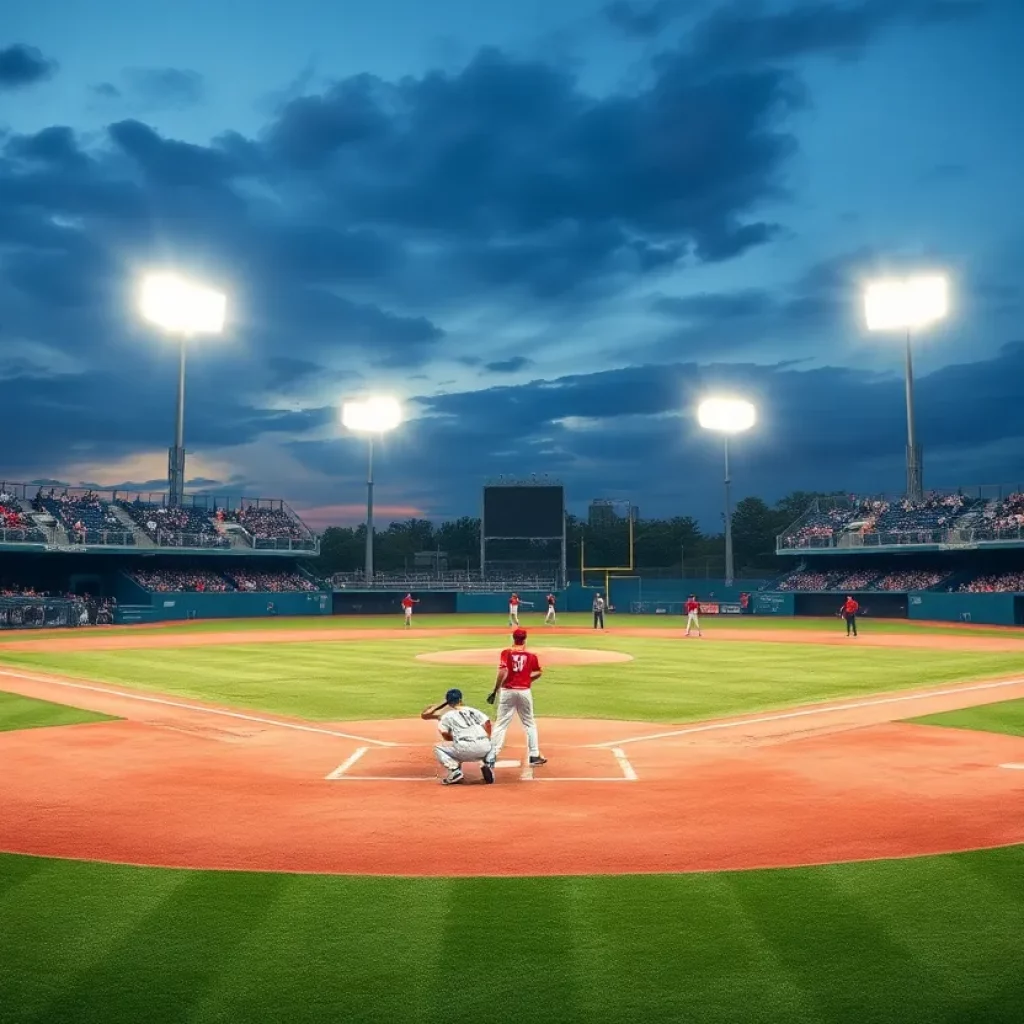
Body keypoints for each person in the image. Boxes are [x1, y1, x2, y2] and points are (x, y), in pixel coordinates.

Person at [485, 627, 547, 768]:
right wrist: (527, 679)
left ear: (513, 638)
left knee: (501, 723)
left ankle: (492, 754)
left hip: (507, 691)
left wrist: (495, 690)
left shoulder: (506, 653)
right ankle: (534, 754)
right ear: (525, 639)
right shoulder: (531, 656)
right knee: (529, 723)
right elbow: (539, 672)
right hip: (524, 691)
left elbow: (502, 671)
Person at [420, 688, 495, 785]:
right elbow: (487, 723)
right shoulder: (472, 711)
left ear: (447, 701)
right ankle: (488, 763)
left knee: (439, 748)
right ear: (461, 700)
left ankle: (454, 770)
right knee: (493, 745)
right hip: (483, 747)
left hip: (464, 748)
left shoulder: (444, 714)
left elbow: (425, 715)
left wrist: (441, 704)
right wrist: (487, 737)